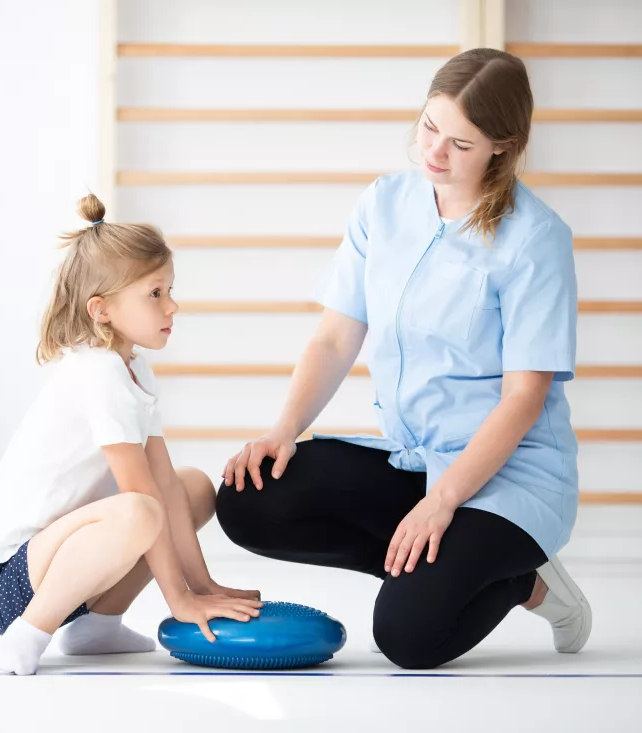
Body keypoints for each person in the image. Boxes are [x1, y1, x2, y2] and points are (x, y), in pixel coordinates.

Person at [214, 48, 592, 670]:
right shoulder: (385, 203)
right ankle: (441, 569)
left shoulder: (535, 238)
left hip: (510, 480)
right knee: (249, 500)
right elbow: (335, 338)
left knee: (408, 638)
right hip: (415, 462)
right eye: (429, 127)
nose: (434, 153)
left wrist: (445, 502)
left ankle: (524, 579)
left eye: (461, 144)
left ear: (502, 146)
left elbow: (524, 397)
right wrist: (282, 430)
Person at [0, 194, 263, 675]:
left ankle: (98, 627)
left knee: (190, 487)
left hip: (64, 565)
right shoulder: (99, 373)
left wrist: (203, 586)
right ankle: (28, 634)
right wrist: (180, 599)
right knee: (140, 510)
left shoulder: (133, 369)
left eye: (170, 290)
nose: (173, 305)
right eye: (155, 293)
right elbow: (141, 496)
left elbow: (165, 484)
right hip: (5, 584)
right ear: (102, 309)